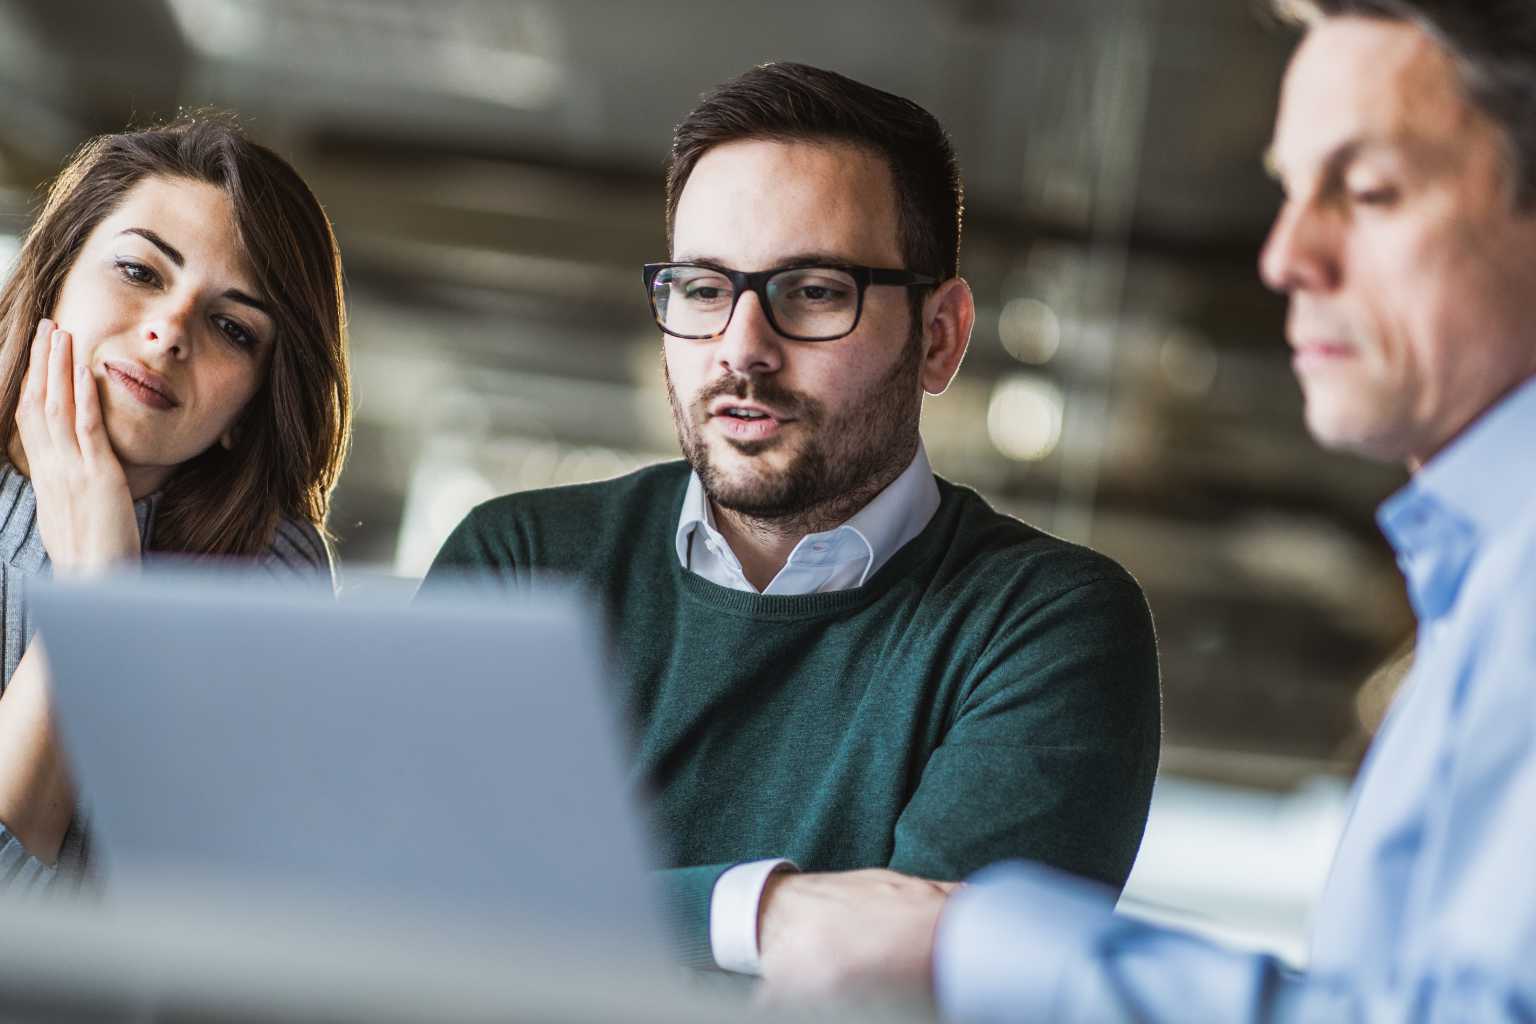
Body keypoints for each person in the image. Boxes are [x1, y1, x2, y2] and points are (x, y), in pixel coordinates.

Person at [750, 2, 1536, 1018]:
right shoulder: (1476, 592)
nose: (1285, 256)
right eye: (1291, 192)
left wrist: (985, 948)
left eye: (1371, 191)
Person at [424, 63, 1161, 974]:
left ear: (939, 337)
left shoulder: (1042, 625)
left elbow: (922, 991)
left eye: (813, 291)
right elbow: (409, 911)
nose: (742, 348)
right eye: (701, 289)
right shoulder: (523, 563)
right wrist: (767, 916)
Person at [0, 117, 352, 889]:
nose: (167, 333)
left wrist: (98, 591)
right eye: (140, 271)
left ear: (253, 405)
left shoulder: (271, 581)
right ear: (55, 274)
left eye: (231, 326)